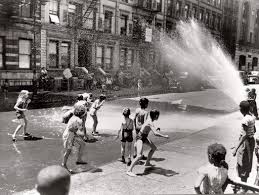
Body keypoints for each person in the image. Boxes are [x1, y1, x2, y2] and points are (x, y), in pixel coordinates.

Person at [126, 109, 169, 177]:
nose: (158, 117)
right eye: (158, 115)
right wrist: (164, 136)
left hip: (144, 137)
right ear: (156, 115)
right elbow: (155, 133)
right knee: (139, 155)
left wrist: (155, 129)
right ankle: (129, 170)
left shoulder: (150, 120)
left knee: (154, 148)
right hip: (140, 138)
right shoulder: (150, 122)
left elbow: (149, 128)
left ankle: (147, 162)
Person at [232, 100, 256, 183]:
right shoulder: (252, 117)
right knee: (247, 161)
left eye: (240, 108)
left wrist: (236, 148)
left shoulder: (245, 120)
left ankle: (243, 184)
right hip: (251, 141)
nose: (239, 110)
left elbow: (244, 135)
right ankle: (244, 181)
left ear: (242, 109)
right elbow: (254, 130)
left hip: (246, 143)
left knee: (243, 161)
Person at [62, 102, 88, 172]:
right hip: (69, 135)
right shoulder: (78, 120)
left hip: (72, 134)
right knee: (68, 151)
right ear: (82, 114)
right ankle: (64, 165)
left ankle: (79, 159)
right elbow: (71, 129)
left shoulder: (74, 116)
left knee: (82, 144)